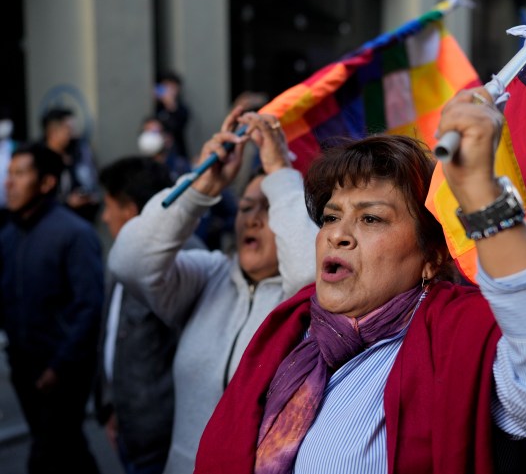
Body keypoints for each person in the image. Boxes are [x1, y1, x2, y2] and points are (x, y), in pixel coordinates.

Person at [193, 89, 526, 474]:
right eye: (331, 216)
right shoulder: (293, 325)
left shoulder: (459, 342)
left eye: (371, 218)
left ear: (431, 257)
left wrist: (479, 192)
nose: (337, 234)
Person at [108, 109, 318, 474]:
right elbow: (128, 261)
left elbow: (312, 272)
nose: (253, 218)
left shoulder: (300, 297)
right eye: (247, 207)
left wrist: (281, 173)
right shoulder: (209, 274)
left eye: (269, 208)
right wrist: (200, 189)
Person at [95, 156, 204, 474]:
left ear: (129, 211)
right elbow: (114, 333)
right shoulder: (124, 255)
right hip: (130, 426)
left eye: (109, 206)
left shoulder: (184, 258)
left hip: (162, 437)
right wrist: (111, 406)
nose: (104, 216)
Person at [0, 143, 103, 473]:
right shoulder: (9, 234)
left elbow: (89, 306)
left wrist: (60, 366)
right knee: (67, 449)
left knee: (46, 453)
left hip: (62, 371)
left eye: (19, 173)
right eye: (8, 174)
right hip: (23, 366)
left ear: (45, 183)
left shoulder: (74, 233)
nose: (9, 183)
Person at [40, 107, 100, 222]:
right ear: (53, 132)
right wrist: (67, 202)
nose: (73, 133)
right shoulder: (41, 159)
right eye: (68, 128)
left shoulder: (77, 151)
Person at [154, 71, 191, 159]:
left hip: (177, 155)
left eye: (172, 87)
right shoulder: (156, 108)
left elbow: (177, 127)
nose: (168, 91)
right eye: (165, 86)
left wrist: (170, 105)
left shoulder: (182, 109)